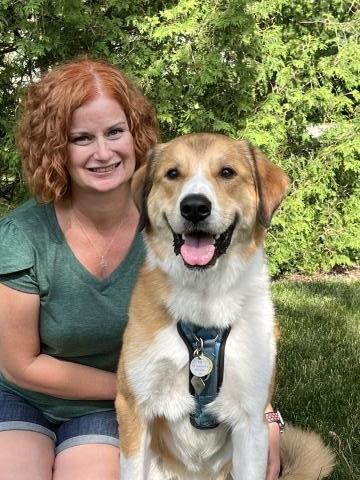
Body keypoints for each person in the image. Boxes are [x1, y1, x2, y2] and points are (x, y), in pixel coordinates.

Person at [0, 57, 281, 479]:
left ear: (135, 135)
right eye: (81, 138)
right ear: (57, 147)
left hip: (100, 411)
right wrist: (136, 389)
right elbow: (19, 364)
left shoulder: (167, 227)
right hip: (29, 398)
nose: (102, 151)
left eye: (114, 131)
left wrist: (263, 410)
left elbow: (232, 336)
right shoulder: (24, 235)